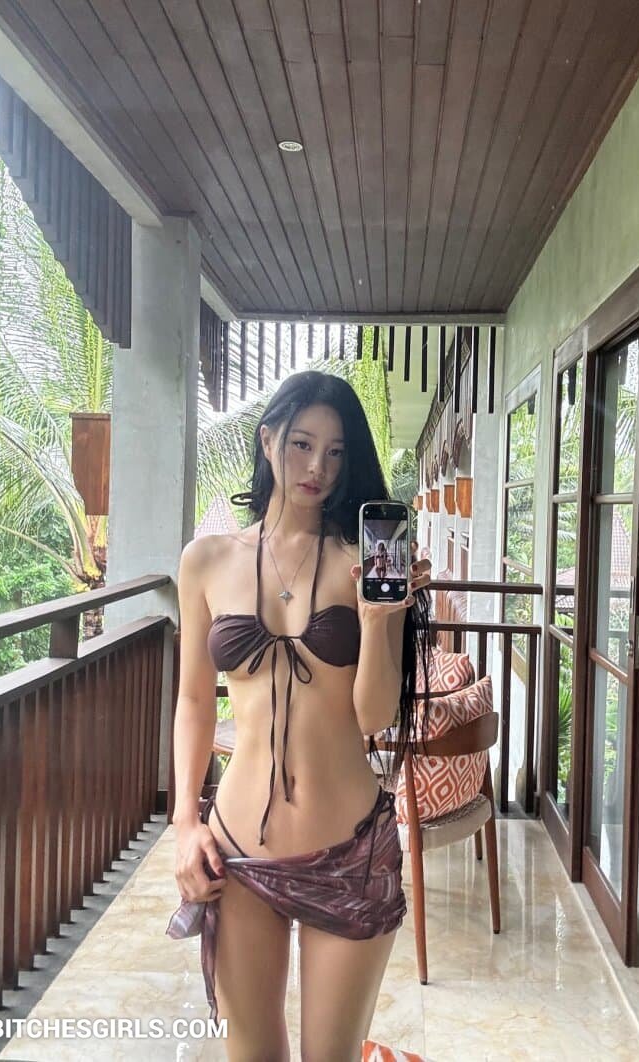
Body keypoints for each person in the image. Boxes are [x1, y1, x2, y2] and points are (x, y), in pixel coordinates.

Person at [168, 370, 433, 1061]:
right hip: (238, 853)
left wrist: (379, 619)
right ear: (267, 441)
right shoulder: (206, 561)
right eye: (302, 444)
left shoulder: (360, 562)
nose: (318, 467)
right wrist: (186, 823)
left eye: (337, 452)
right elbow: (194, 699)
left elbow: (373, 717)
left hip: (350, 850)